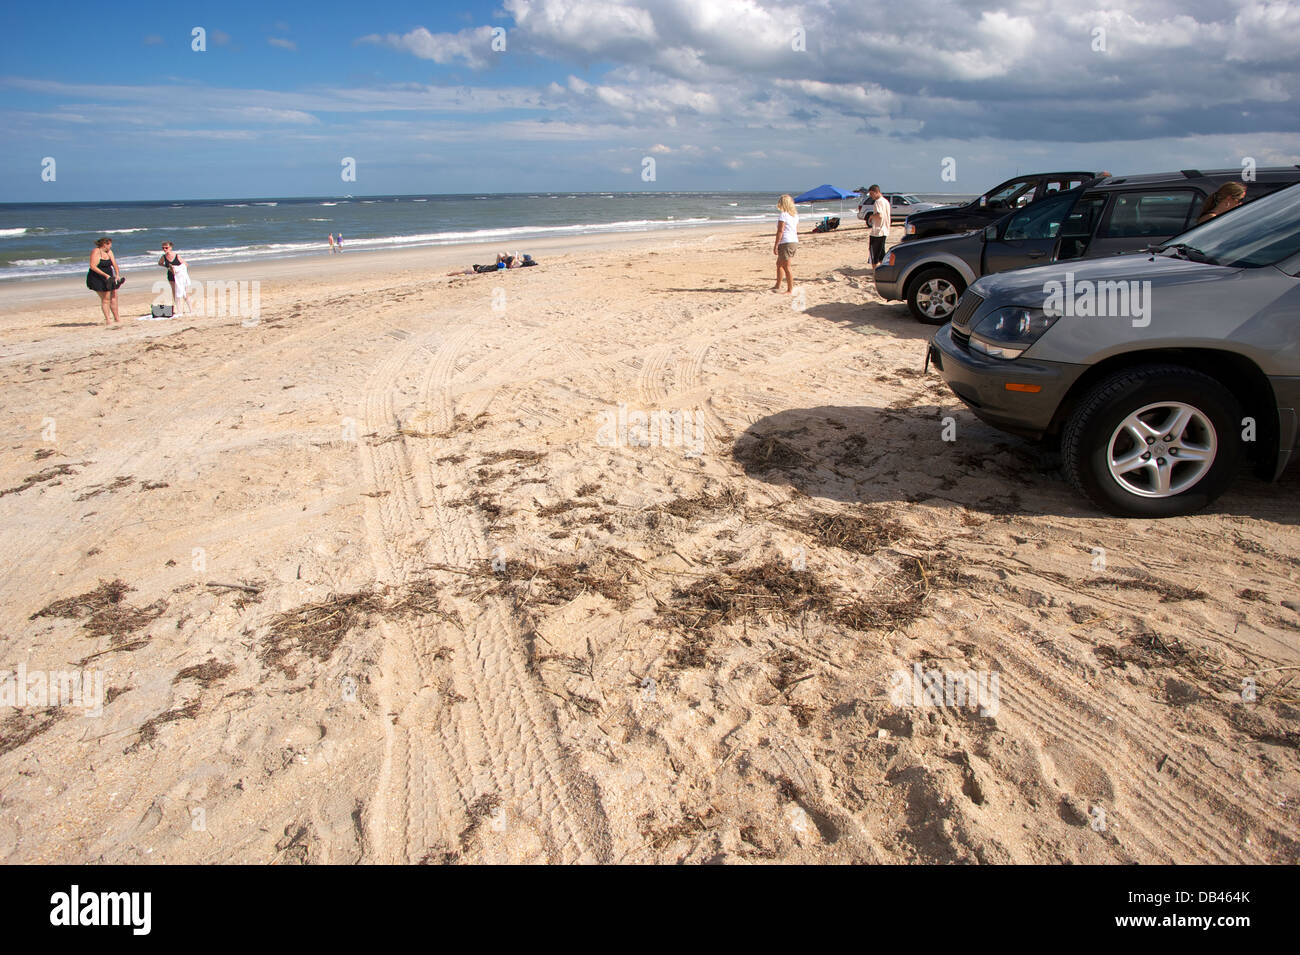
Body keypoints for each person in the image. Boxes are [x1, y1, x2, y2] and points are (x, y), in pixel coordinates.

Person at [86, 236, 123, 326]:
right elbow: (92, 266)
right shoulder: (96, 251)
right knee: (106, 298)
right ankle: (108, 320)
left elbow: (114, 264)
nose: (111, 246)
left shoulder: (109, 252)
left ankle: (117, 318)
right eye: (110, 244)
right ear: (104, 244)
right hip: (97, 277)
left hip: (109, 276)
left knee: (114, 296)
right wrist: (105, 275)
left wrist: (117, 275)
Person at [771, 194, 798, 294]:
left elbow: (780, 231)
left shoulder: (783, 215)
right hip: (793, 240)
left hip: (786, 242)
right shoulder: (794, 215)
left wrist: (776, 244)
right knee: (779, 264)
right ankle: (778, 285)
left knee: (786, 266)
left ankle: (790, 289)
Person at [157, 241, 192, 313]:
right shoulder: (164, 257)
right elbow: (160, 263)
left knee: (185, 292)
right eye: (163, 248)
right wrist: (167, 266)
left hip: (180, 276)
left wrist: (177, 269)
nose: (164, 249)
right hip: (171, 275)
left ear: (170, 248)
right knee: (175, 292)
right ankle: (179, 310)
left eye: (166, 248)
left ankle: (191, 309)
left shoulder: (177, 256)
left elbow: (185, 264)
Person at [865, 184, 891, 267]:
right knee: (881, 254)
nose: (871, 196)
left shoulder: (878, 202)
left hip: (878, 231)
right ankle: (883, 270)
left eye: (872, 194)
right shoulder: (885, 201)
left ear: (877, 192)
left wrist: (871, 216)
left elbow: (879, 215)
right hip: (884, 230)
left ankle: (875, 272)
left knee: (874, 254)